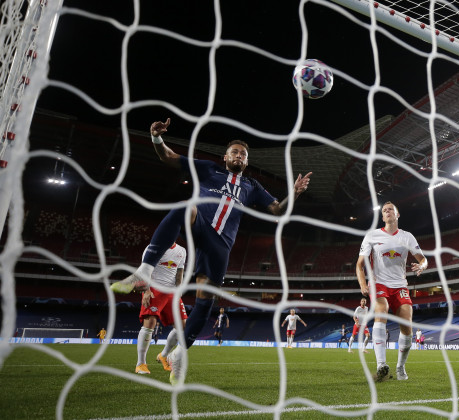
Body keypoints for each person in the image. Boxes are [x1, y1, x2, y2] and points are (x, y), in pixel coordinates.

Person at [111, 118, 311, 384]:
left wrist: (294, 193)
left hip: (221, 246)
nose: (239, 155)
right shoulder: (208, 170)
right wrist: (156, 138)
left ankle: (180, 354)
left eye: (243, 154)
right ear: (225, 156)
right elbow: (169, 157)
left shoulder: (251, 187)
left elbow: (278, 210)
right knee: (186, 207)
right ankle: (144, 271)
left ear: (246, 162)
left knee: (205, 303)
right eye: (235, 152)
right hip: (200, 225)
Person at [356, 201, 428, 382]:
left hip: (400, 286)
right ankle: (381, 364)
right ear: (382, 217)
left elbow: (423, 259)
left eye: (390, 210)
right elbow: (359, 265)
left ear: (397, 215)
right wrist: (363, 284)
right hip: (379, 283)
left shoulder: (407, 237)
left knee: (407, 325)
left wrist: (422, 266)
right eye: (384, 211)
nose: (387, 212)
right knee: (382, 310)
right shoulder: (372, 236)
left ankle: (400, 367)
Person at [135, 242, 188, 375]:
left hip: (171, 292)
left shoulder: (182, 250)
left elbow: (179, 272)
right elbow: (144, 269)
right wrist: (146, 291)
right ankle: (141, 364)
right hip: (153, 288)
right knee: (150, 323)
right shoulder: (152, 247)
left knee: (182, 326)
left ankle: (163, 355)